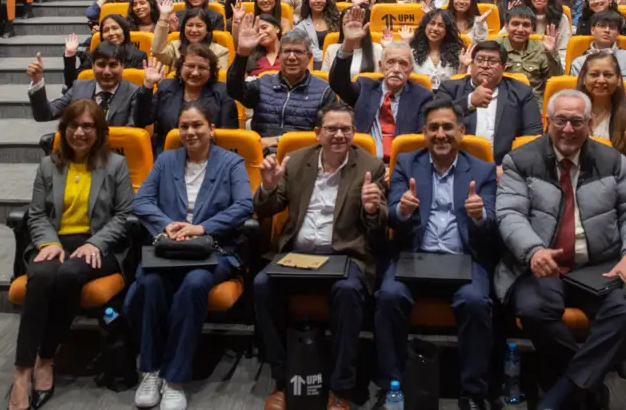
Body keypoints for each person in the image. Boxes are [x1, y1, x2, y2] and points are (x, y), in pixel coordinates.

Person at [496, 88, 626, 410]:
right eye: (561, 121)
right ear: (547, 121)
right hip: (541, 264)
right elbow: (509, 214)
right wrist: (533, 251)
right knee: (532, 309)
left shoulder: (613, 161)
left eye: (577, 121)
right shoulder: (520, 160)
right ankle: (588, 387)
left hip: (598, 264)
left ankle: (560, 393)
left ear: (590, 122)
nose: (568, 129)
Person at [252, 103, 388, 410]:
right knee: (262, 285)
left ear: (354, 133)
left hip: (345, 255)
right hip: (297, 255)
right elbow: (264, 209)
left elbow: (377, 230)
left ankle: (340, 388)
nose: (339, 135)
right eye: (332, 129)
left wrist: (372, 209)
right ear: (318, 133)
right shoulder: (298, 161)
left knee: (348, 291)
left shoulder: (370, 166)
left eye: (346, 129)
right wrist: (269, 187)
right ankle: (283, 380)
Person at [6, 99, 133, 410]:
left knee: (70, 273)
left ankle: (46, 357)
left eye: (87, 126)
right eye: (73, 126)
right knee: (40, 274)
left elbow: (124, 215)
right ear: (63, 130)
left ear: (99, 131)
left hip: (97, 247)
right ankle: (23, 371)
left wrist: (97, 243)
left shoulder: (115, 165)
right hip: (56, 242)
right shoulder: (48, 165)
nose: (79, 132)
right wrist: (49, 244)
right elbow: (36, 215)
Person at [126, 101, 252, 410]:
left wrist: (199, 228)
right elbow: (141, 202)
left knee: (195, 284)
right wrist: (167, 225)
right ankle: (151, 370)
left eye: (197, 125)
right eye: (184, 126)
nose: (190, 132)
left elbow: (244, 205)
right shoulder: (166, 159)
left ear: (211, 128)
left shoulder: (231, 163)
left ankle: (175, 377)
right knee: (151, 282)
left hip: (213, 249)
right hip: (169, 248)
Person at [376, 99, 497, 410]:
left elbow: (493, 225)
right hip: (415, 256)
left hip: (464, 258)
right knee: (389, 296)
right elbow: (392, 217)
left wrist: (480, 216)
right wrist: (401, 212)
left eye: (447, 127)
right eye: (433, 128)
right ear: (423, 132)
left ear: (461, 130)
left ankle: (472, 393)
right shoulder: (406, 163)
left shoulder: (482, 170)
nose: (440, 134)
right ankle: (393, 387)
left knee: (474, 302)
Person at [329, 7, 433, 159]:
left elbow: (421, 142)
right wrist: (348, 43)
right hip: (362, 163)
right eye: (390, 62)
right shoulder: (364, 87)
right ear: (381, 66)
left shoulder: (423, 97)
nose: (396, 69)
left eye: (403, 64)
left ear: (410, 70)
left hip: (401, 166)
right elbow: (338, 83)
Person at [227, 18, 336, 155]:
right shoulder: (264, 82)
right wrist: (242, 53)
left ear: (309, 56)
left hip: (303, 158)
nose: (291, 57)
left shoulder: (324, 91)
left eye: (298, 52)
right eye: (286, 51)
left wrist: (278, 140)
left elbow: (325, 134)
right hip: (262, 157)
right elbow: (234, 90)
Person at [438, 40, 543, 164]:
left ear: (504, 67)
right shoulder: (450, 88)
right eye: (480, 59)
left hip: (504, 166)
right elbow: (437, 119)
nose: (485, 65)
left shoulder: (521, 92)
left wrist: (510, 167)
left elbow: (532, 134)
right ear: (472, 64)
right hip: (456, 163)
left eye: (492, 61)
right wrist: (469, 101)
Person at [28, 41, 151, 127]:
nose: (107, 72)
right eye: (101, 65)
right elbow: (44, 114)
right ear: (92, 66)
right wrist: (37, 82)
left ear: (122, 66)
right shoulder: (78, 87)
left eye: (113, 65)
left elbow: (131, 131)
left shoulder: (134, 93)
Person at [141, 45, 239, 151]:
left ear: (211, 71)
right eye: (190, 66)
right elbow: (142, 120)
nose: (195, 72)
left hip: (210, 156)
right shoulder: (166, 87)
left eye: (202, 68)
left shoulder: (223, 93)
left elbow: (228, 136)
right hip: (167, 157)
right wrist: (148, 85)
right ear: (180, 67)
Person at [574, 51, 626, 169]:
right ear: (584, 79)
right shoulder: (568, 108)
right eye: (594, 74)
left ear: (619, 80)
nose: (601, 80)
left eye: (608, 75)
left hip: (616, 178)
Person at [570, 11, 626, 96]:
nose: (607, 30)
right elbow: (575, 95)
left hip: (625, 106)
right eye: (602, 26)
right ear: (592, 30)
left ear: (617, 34)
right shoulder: (578, 63)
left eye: (612, 27)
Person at [495, 6, 563, 100]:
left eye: (526, 25)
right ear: (506, 26)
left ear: (532, 28)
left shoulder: (541, 48)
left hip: (534, 103)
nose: (520, 29)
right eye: (515, 24)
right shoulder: (495, 47)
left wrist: (552, 53)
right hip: (502, 101)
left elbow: (557, 80)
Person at [151, 4, 230, 70]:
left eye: (199, 26)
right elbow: (157, 51)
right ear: (184, 28)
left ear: (207, 30)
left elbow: (220, 81)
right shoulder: (175, 46)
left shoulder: (220, 52)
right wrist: (163, 18)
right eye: (190, 25)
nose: (194, 30)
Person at [408, 9, 468, 90]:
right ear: (425, 26)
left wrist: (463, 68)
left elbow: (460, 86)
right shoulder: (412, 51)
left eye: (440, 25)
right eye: (432, 23)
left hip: (448, 98)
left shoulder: (458, 53)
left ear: (447, 30)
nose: (435, 28)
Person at [293, 0, 340, 67]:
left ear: (327, 0)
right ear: (307, 1)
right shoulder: (300, 27)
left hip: (340, 63)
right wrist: (331, 56)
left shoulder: (339, 20)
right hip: (315, 65)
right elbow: (308, 51)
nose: (318, 0)